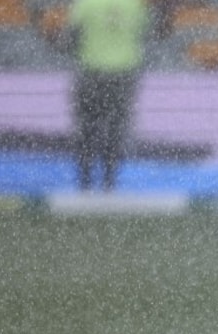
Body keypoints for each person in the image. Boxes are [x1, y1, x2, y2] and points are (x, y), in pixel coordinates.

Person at [68, 0, 150, 191]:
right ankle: (109, 179)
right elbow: (147, 32)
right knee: (116, 128)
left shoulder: (86, 4)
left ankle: (85, 180)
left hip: (92, 71)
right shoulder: (136, 5)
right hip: (123, 73)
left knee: (87, 127)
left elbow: (72, 35)